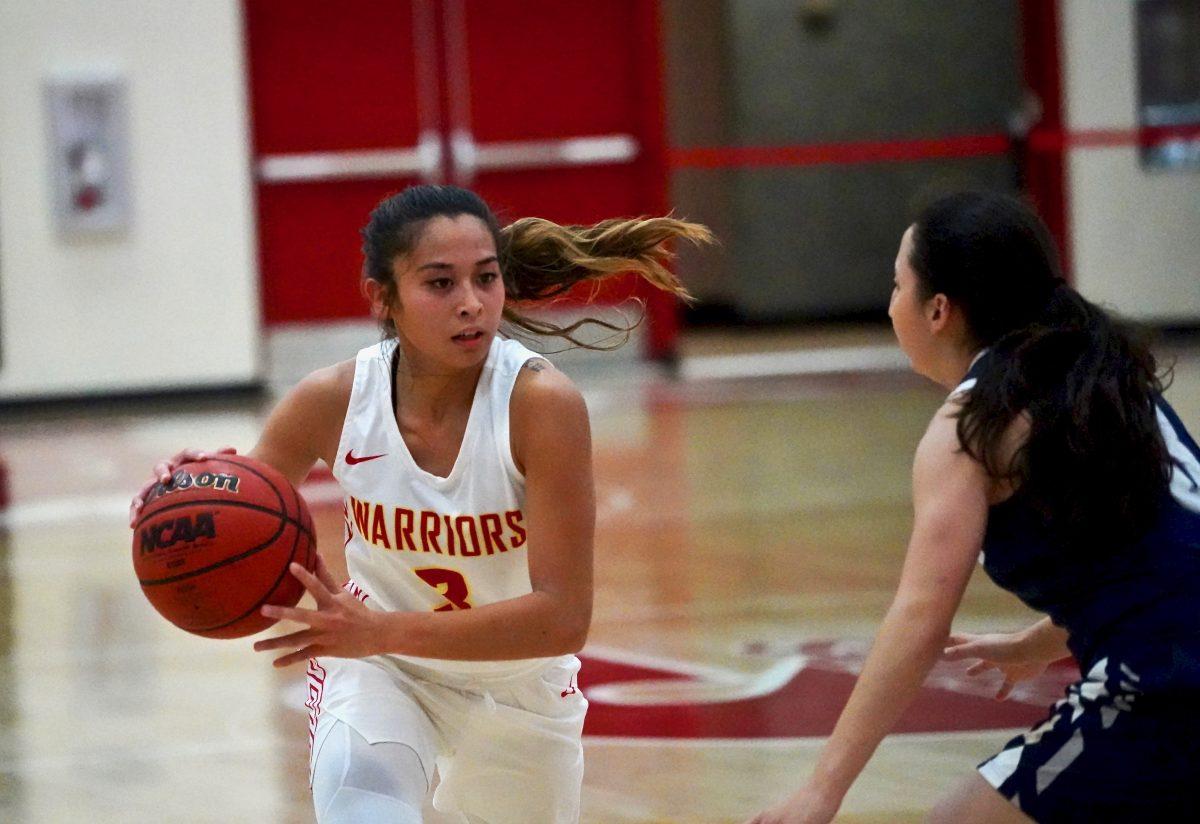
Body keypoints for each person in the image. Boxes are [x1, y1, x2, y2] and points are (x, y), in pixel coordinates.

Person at [129, 184, 711, 823]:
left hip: (517, 684)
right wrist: (189, 493)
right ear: (383, 297)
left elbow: (563, 617)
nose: (472, 304)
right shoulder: (331, 400)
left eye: (486, 278)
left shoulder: (541, 406)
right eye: (441, 284)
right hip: (382, 670)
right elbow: (244, 502)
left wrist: (383, 630)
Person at [747, 191, 1200, 823]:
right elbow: (1160, 552)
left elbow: (920, 617)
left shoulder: (971, 428)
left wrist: (823, 788)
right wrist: (1042, 642)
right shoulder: (1103, 373)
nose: (889, 303)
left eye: (895, 284)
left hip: (1168, 681)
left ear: (938, 310)